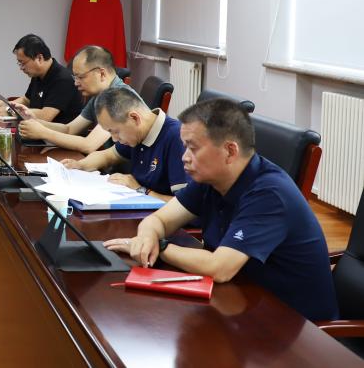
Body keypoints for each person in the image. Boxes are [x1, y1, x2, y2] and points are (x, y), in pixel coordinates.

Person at [104, 99, 338, 322]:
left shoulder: (270, 194)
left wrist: (161, 246)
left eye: (193, 148)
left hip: (294, 327)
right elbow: (159, 220)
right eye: (185, 147)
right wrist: (147, 238)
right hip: (242, 300)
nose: (184, 158)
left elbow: (219, 268)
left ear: (230, 151)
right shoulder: (211, 178)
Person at [61, 86, 188, 201]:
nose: (114, 139)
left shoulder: (177, 138)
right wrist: (80, 165)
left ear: (134, 118)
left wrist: (141, 190)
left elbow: (186, 205)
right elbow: (108, 156)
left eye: (115, 131)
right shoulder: (137, 133)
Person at [17, 45, 131, 154]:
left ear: (101, 74)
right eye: (75, 77)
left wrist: (43, 133)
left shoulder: (119, 98)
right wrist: (35, 121)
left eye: (80, 77)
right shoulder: (100, 95)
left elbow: (89, 145)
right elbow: (69, 129)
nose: (76, 83)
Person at [0, 34, 83, 124]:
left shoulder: (63, 79)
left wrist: (9, 111)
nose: (21, 68)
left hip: (57, 134)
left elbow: (45, 116)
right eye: (19, 63)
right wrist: (6, 104)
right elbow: (26, 100)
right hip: (38, 130)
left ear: (39, 58)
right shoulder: (38, 74)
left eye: (23, 63)